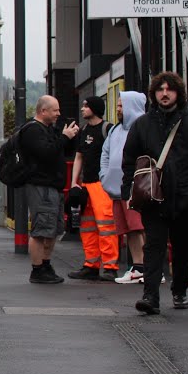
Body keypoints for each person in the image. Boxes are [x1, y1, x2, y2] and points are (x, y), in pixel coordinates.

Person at [121, 72, 188, 315]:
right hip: (152, 198)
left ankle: (179, 290)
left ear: (179, 93)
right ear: (154, 94)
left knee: (183, 247)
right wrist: (128, 190)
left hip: (187, 199)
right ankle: (150, 296)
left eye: (170, 89)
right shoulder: (142, 124)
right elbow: (128, 159)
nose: (165, 94)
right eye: (160, 90)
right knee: (153, 246)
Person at [19, 95, 80, 284]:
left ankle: (45, 265)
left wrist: (67, 138)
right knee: (41, 229)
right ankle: (37, 270)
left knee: (52, 229)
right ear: (43, 111)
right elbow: (46, 153)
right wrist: (63, 137)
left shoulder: (48, 130)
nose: (58, 114)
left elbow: (58, 150)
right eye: (55, 110)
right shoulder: (32, 131)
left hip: (53, 187)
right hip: (41, 187)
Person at [67, 96, 120, 281]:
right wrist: (75, 182)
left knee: (106, 225)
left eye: (86, 106)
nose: (82, 109)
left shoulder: (108, 129)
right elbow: (79, 156)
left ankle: (110, 266)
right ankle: (91, 264)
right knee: (87, 225)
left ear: (95, 109)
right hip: (87, 184)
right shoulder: (83, 130)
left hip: (102, 185)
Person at [99, 91, 148, 284]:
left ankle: (149, 268)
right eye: (118, 106)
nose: (118, 109)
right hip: (117, 189)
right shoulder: (115, 130)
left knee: (140, 227)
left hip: (137, 189)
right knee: (129, 230)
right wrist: (105, 177)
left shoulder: (143, 128)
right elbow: (105, 154)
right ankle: (138, 268)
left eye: (121, 106)